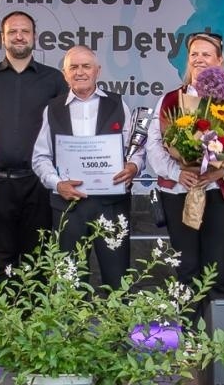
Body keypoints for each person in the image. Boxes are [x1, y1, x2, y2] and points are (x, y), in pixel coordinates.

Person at [146, 32, 224, 301]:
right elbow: (154, 145)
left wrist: (222, 170)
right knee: (186, 268)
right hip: (179, 193)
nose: (199, 59)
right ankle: (188, 339)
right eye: (194, 54)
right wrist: (177, 172)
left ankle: (215, 341)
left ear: (219, 60)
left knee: (216, 270)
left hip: (221, 193)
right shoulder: (170, 100)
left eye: (206, 54)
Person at [32, 46, 142, 287]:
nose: (80, 72)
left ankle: (119, 325)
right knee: (69, 283)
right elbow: (40, 158)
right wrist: (57, 183)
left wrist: (133, 166)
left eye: (86, 66)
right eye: (74, 67)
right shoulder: (53, 108)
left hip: (111, 206)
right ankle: (72, 327)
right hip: (68, 207)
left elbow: (135, 149)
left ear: (97, 71)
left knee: (118, 280)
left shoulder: (117, 103)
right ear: (64, 73)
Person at [0, 11, 66, 271]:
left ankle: (37, 314)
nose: (19, 36)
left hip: (40, 185)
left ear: (34, 37)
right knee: (2, 262)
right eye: (12, 32)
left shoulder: (55, 79)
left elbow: (69, 129)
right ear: (3, 38)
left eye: (25, 31)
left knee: (39, 263)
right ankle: (3, 314)